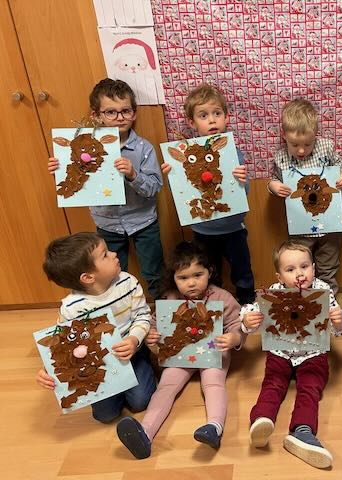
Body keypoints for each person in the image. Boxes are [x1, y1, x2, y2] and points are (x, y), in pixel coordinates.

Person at [116, 241, 245, 458]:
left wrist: (234, 338)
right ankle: (145, 433)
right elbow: (154, 324)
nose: (191, 283)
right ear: (173, 278)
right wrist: (151, 338)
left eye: (198, 275)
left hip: (214, 350)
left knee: (213, 382)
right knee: (166, 386)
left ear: (210, 272)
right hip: (180, 353)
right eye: (183, 278)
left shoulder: (222, 297)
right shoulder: (170, 298)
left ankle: (214, 427)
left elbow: (237, 323)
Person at [240, 241, 342, 468]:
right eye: (290, 269)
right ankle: (262, 419)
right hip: (281, 351)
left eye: (304, 267)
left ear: (314, 268)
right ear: (280, 276)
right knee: (273, 383)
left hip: (313, 352)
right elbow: (252, 313)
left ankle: (302, 431)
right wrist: (248, 321)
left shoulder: (323, 291)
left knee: (310, 388)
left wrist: (339, 321)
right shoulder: (274, 291)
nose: (300, 274)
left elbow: (338, 324)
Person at [47, 79, 164, 298]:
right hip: (107, 223)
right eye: (111, 112)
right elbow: (77, 182)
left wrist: (134, 175)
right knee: (110, 276)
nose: (120, 117)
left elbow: (154, 187)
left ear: (134, 113)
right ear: (96, 115)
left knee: (155, 272)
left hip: (144, 222)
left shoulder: (143, 148)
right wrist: (60, 170)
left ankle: (162, 310)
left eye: (125, 111)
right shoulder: (82, 147)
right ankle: (121, 309)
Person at [36, 232, 156, 422]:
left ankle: (138, 375)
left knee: (141, 402)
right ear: (88, 277)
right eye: (105, 255)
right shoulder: (72, 307)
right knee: (105, 415)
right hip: (99, 364)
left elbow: (142, 315)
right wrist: (47, 369)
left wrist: (134, 340)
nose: (114, 254)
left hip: (133, 352)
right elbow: (62, 342)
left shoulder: (128, 282)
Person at [161, 84, 255, 304]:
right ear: (192, 123)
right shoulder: (184, 157)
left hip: (234, 228)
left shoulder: (232, 152)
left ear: (226, 117)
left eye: (217, 114)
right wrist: (172, 177)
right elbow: (182, 194)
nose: (212, 120)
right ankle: (213, 308)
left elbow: (243, 193)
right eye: (204, 115)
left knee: (242, 270)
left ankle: (247, 303)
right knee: (209, 273)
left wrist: (243, 181)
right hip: (203, 230)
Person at [267, 99, 342, 295]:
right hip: (300, 225)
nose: (301, 150)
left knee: (328, 267)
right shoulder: (281, 157)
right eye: (294, 144)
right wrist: (274, 186)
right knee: (299, 269)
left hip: (330, 224)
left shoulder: (326, 147)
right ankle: (303, 301)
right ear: (284, 135)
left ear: (316, 134)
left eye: (307, 144)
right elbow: (274, 180)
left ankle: (328, 302)